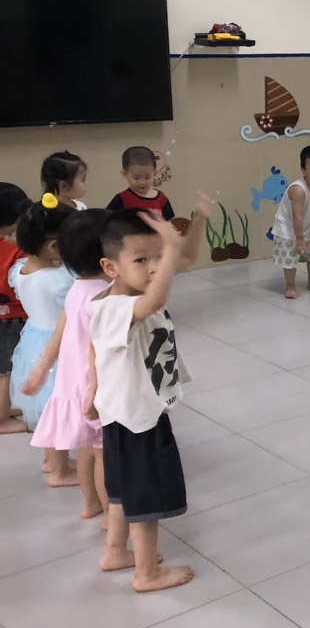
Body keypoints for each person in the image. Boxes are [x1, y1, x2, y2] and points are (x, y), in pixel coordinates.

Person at [90, 199, 209, 592]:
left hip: (131, 412)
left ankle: (115, 552)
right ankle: (146, 573)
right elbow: (155, 300)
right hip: (136, 419)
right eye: (142, 260)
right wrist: (169, 247)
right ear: (110, 267)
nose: (156, 267)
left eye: (158, 257)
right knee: (146, 498)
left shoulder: (137, 289)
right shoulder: (114, 308)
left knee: (124, 492)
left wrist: (198, 220)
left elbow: (184, 259)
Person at [27, 211, 111, 518]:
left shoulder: (77, 289)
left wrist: (40, 369)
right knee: (104, 456)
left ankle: (91, 504)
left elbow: (59, 333)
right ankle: (109, 515)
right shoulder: (104, 296)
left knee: (88, 449)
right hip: (95, 389)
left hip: (73, 385)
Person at [6, 196, 75, 471]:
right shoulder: (60, 280)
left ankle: (50, 460)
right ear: (54, 246)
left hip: (33, 342)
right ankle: (60, 470)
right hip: (57, 347)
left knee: (45, 407)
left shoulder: (19, 271)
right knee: (57, 409)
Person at [272, 144, 310, 299]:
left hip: (305, 227)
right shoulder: (298, 190)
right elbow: (297, 216)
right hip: (287, 228)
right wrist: (299, 239)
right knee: (290, 258)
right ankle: (290, 286)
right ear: (304, 170)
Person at [0, 182, 30, 433]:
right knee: (5, 371)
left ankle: (3, 408)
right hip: (10, 318)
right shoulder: (15, 252)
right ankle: (1, 419)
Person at [105, 146, 175, 220]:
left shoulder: (162, 199)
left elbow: (169, 223)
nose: (142, 182)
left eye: (147, 177)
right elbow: (106, 221)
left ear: (155, 173)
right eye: (136, 178)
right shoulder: (121, 199)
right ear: (125, 174)